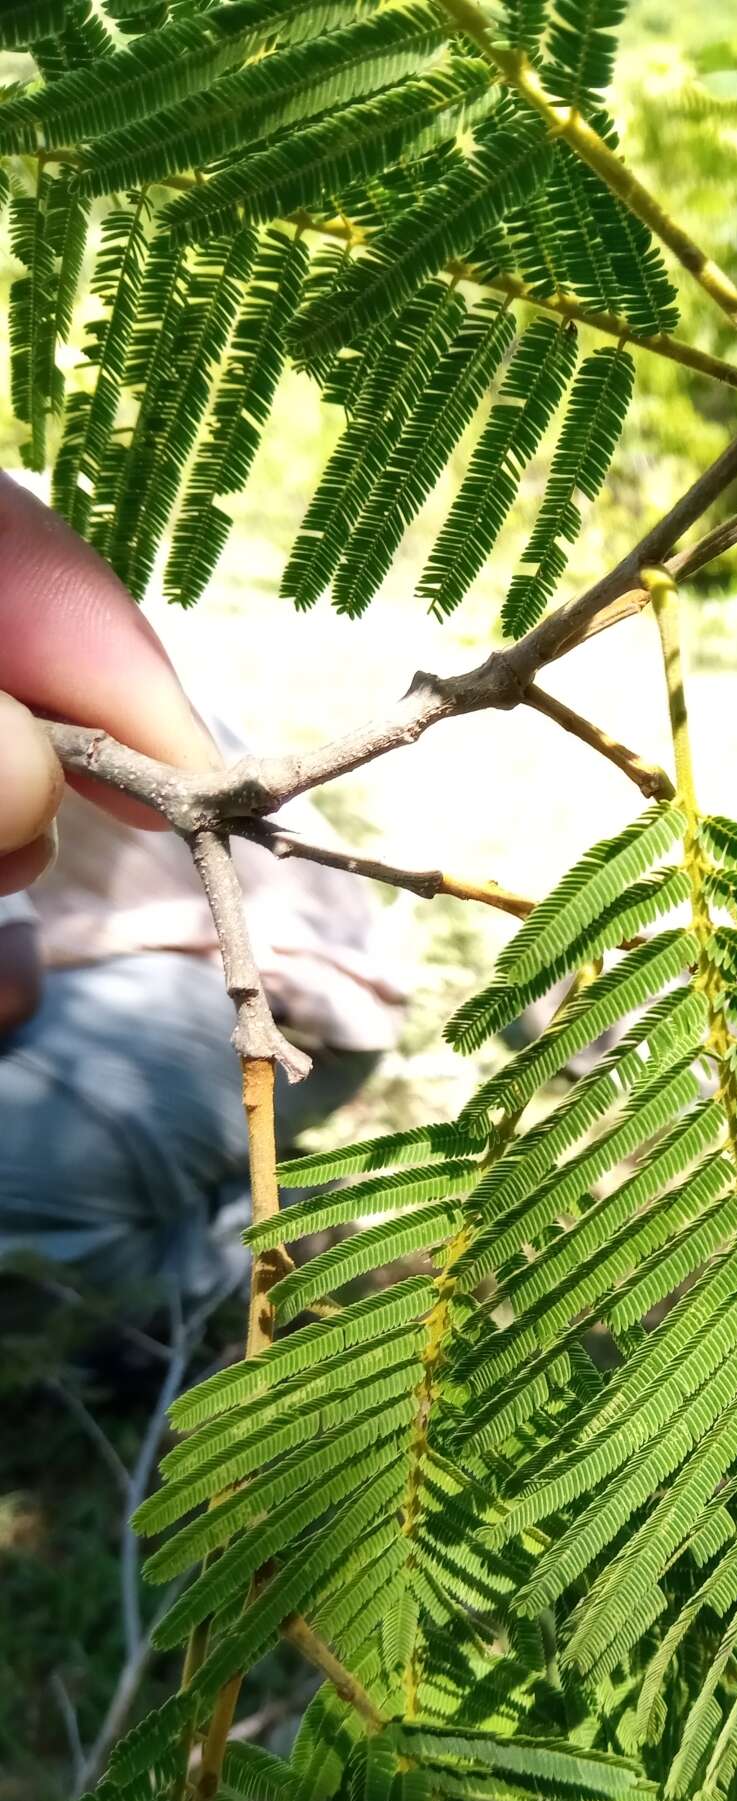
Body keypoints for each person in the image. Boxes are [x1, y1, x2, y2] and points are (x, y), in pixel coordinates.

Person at [0, 476, 405, 1320]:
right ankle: (244, 1201)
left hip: (282, 1005)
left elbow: (10, 982)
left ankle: (216, 1269)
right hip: (208, 993)